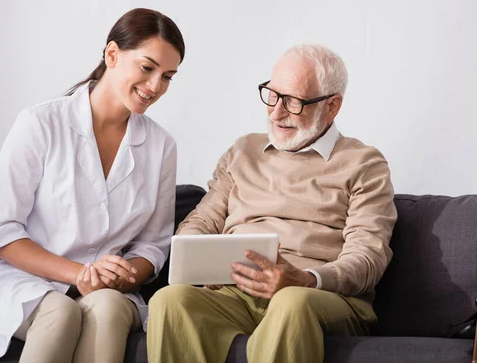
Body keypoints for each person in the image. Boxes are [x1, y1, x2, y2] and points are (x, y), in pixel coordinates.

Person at [0, 8, 185, 363]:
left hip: (107, 290)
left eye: (168, 76)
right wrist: (81, 275)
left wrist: (123, 275)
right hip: (22, 280)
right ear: (112, 55)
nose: (155, 86)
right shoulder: (40, 124)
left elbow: (152, 245)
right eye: (147, 67)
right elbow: (2, 230)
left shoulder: (162, 147)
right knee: (60, 312)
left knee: (106, 307)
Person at [147, 44, 397, 363]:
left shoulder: (363, 164)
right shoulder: (243, 151)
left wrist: (307, 279)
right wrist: (202, 260)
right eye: (273, 95)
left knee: (290, 301)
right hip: (236, 292)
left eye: (293, 102)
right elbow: (201, 222)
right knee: (171, 300)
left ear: (332, 106)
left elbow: (368, 256)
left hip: (318, 296)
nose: (276, 112)